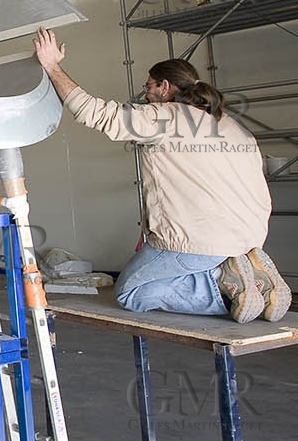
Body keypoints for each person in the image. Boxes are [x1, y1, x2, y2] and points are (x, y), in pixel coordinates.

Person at [33, 28, 290, 323]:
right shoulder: (232, 126)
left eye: (148, 87)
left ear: (165, 87)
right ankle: (257, 284)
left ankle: (225, 286)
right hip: (250, 241)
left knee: (131, 291)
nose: (146, 95)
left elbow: (98, 114)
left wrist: (52, 67)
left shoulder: (166, 116)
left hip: (202, 244)